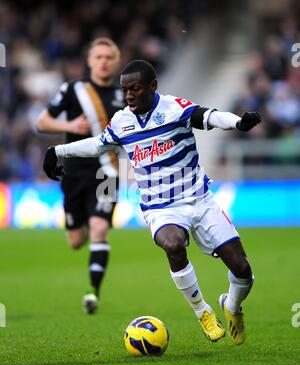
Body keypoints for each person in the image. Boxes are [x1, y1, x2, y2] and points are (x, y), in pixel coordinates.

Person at [43, 59, 261, 345]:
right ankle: (202, 311)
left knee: (243, 271)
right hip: (160, 207)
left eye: (135, 88)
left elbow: (209, 116)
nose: (129, 95)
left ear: (153, 86)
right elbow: (97, 144)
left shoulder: (173, 108)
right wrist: (57, 150)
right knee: (173, 245)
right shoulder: (122, 121)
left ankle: (231, 305)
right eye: (125, 90)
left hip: (200, 200)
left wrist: (237, 122)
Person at [36, 38, 125, 314]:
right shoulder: (74, 90)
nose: (103, 61)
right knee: (76, 241)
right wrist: (70, 124)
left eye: (108, 57)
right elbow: (42, 122)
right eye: (98, 56)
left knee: (100, 229)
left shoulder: (126, 95)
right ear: (89, 61)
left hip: (108, 172)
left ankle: (93, 293)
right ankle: (87, 222)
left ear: (116, 61)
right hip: (73, 173)